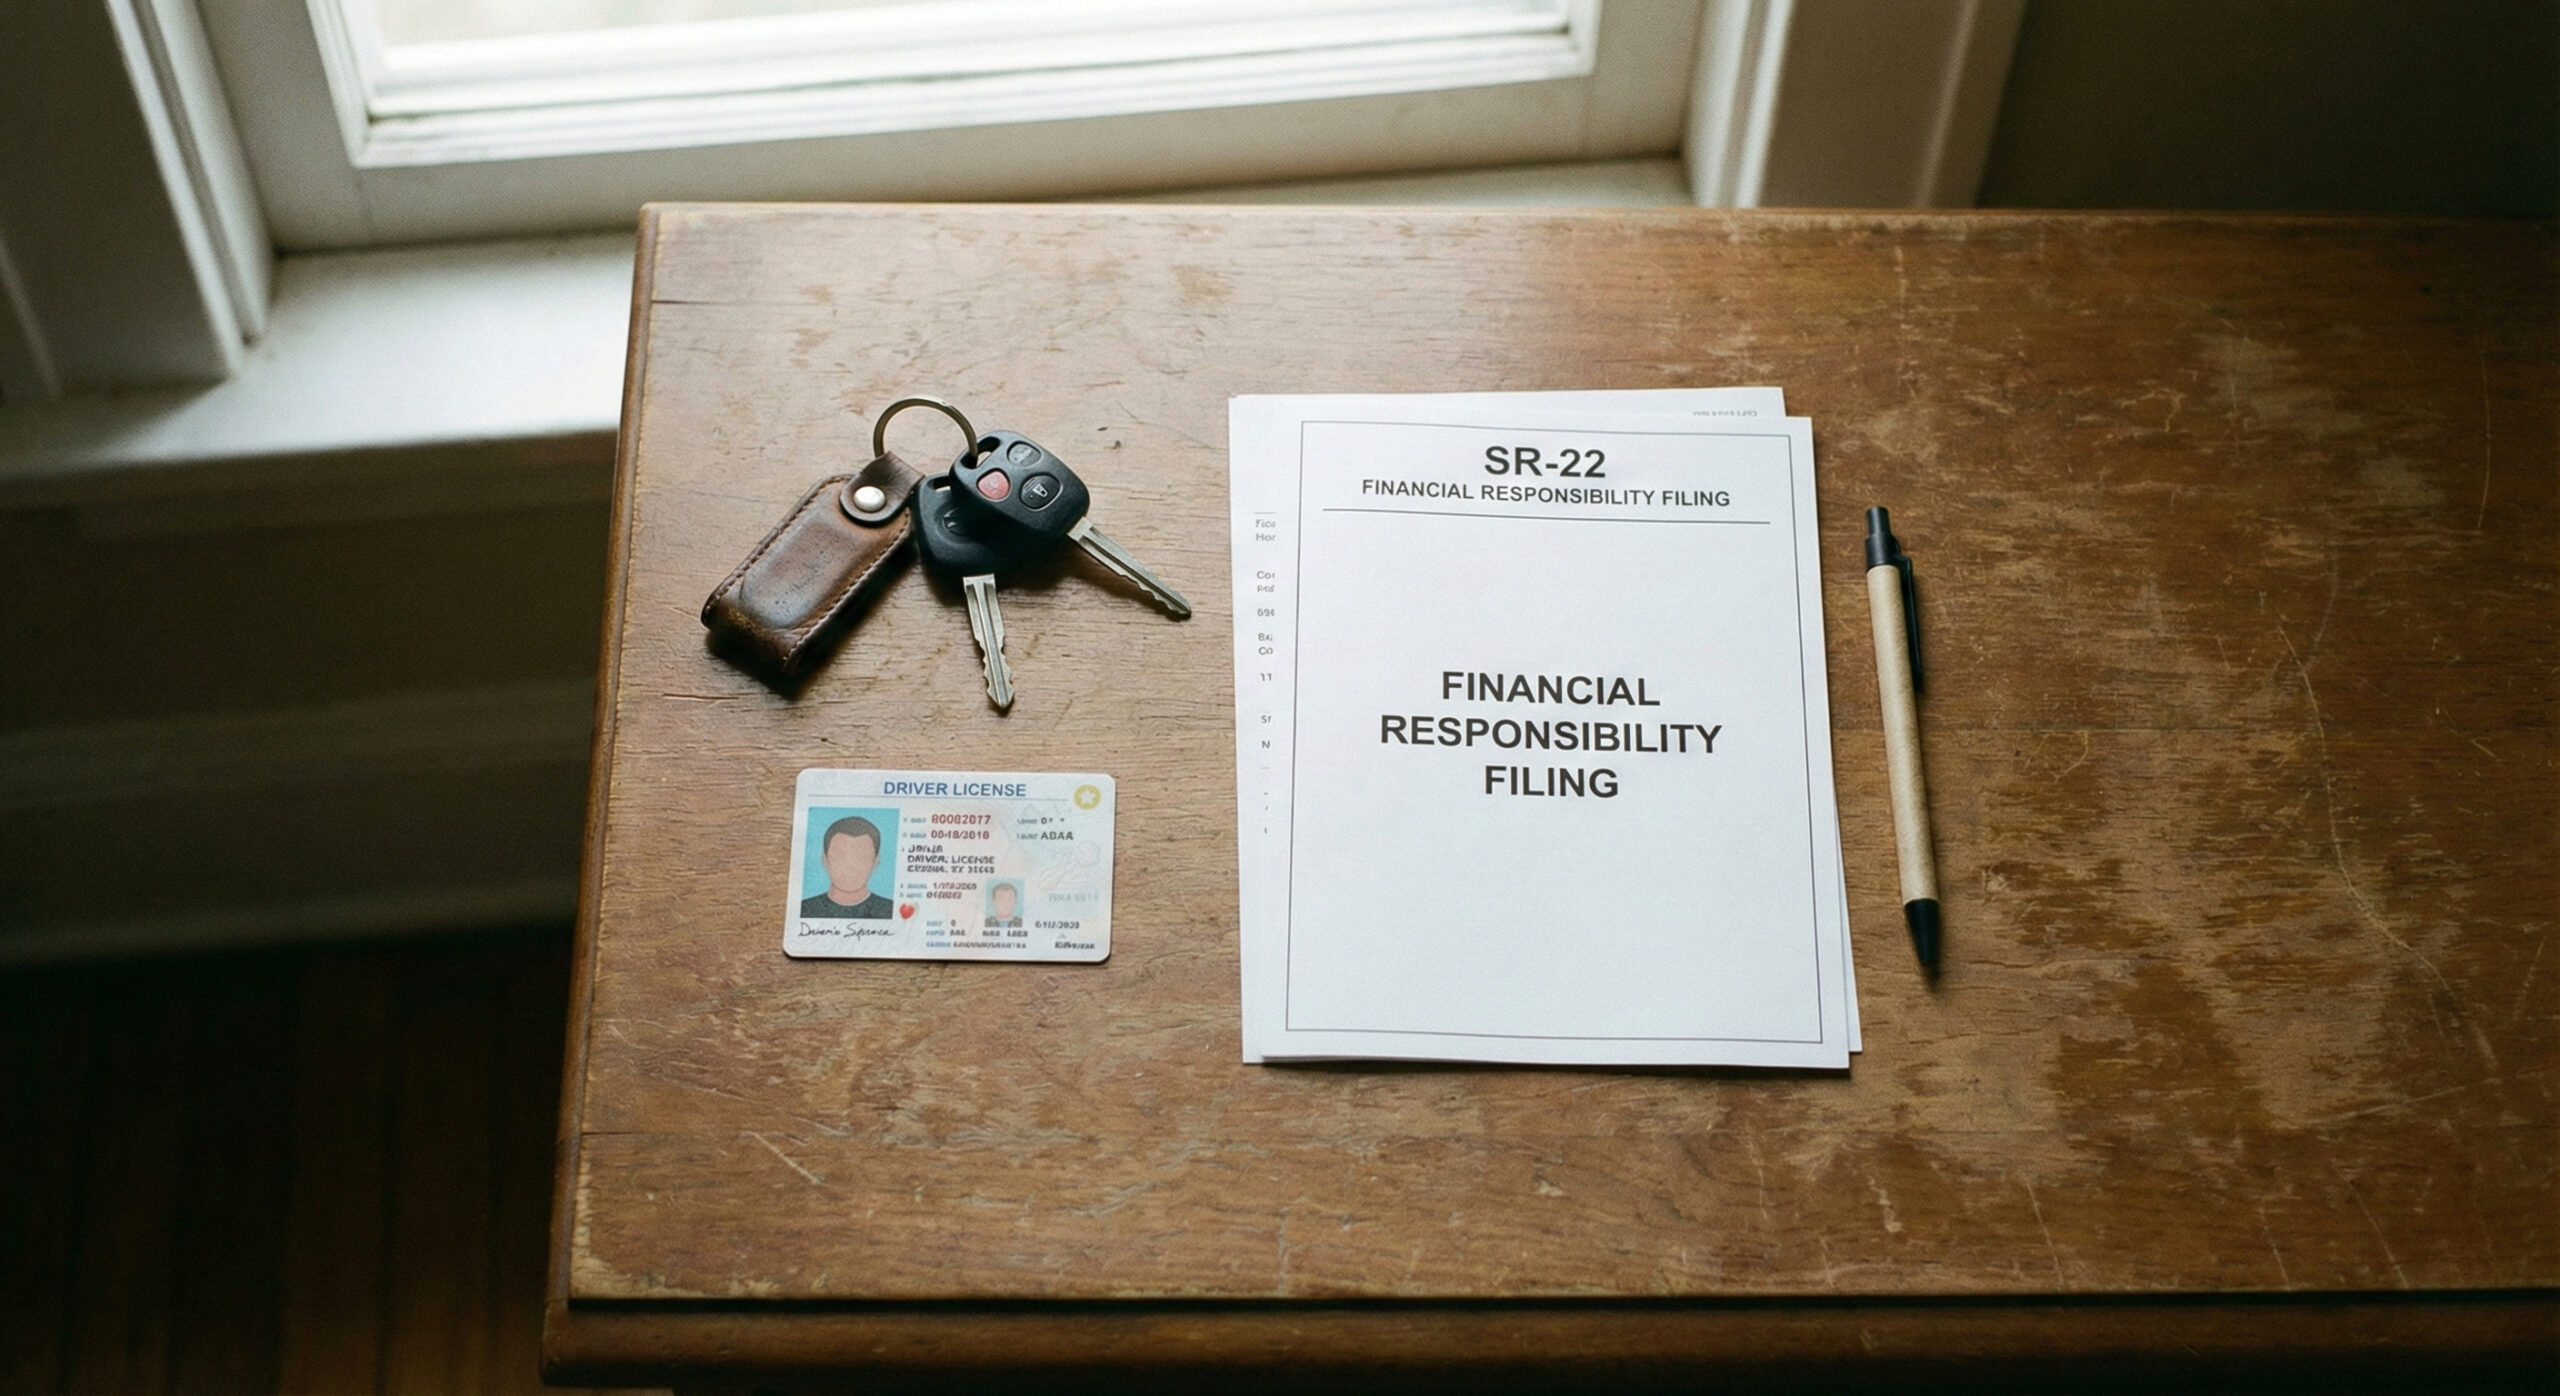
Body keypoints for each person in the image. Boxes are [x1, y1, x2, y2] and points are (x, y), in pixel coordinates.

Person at [801, 815, 893, 919]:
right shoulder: (804, 909)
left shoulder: (891, 910)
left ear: (875, 862)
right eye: (840, 856)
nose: (850, 866)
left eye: (860, 858)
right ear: (824, 859)